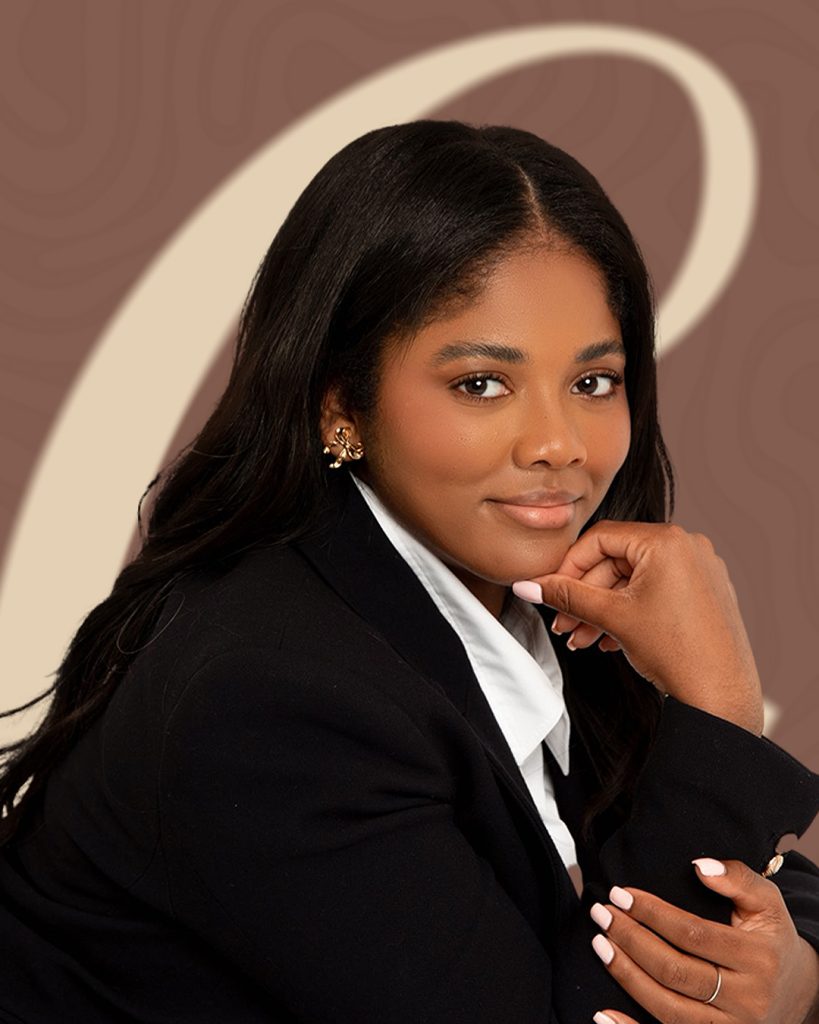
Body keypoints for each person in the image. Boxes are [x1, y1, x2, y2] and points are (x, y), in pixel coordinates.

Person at [0, 120, 817, 1024]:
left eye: (592, 383)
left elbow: (773, 896)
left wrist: (800, 979)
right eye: (481, 384)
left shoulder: (528, 605)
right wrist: (718, 708)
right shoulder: (271, 696)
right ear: (340, 405)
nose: (558, 445)